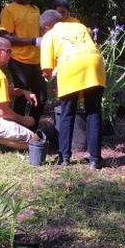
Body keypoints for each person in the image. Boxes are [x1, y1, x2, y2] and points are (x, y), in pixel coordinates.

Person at [39, 9, 106, 168]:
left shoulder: (49, 35)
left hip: (70, 66)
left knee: (67, 113)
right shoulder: (80, 26)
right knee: (93, 111)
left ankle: (64, 158)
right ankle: (95, 159)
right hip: (95, 65)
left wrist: (49, 76)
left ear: (47, 26)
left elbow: (47, 70)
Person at [0, 0, 46, 127]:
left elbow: (40, 32)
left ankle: (31, 130)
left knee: (41, 97)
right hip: (19, 60)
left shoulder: (35, 9)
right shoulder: (9, 9)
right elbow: (7, 37)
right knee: (21, 96)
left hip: (37, 60)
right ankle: (16, 132)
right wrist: (33, 41)